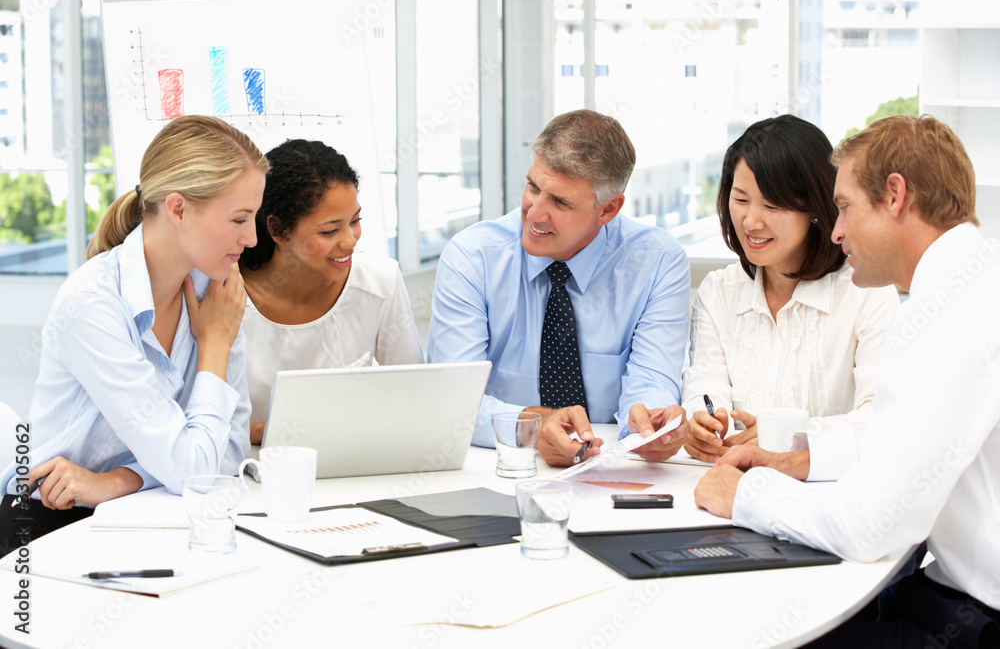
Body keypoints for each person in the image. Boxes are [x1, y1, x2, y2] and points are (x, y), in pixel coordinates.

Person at [695, 115, 1000, 647]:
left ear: (896, 196)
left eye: (844, 207)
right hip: (948, 591)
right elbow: (892, 449)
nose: (836, 231)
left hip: (975, 618)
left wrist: (747, 494)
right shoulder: (972, 283)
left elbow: (868, 526)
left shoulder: (946, 315)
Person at [0, 115, 266, 554]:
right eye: (239, 218)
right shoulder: (92, 304)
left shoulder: (215, 293)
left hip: (151, 515)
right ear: (178, 208)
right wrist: (214, 348)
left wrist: (120, 481)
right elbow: (191, 472)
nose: (252, 238)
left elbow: (228, 460)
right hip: (50, 524)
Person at [427, 109, 691, 466]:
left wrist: (650, 426)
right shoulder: (472, 258)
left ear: (608, 209)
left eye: (561, 202)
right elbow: (450, 400)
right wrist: (532, 427)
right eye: (533, 187)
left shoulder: (658, 262)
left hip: (612, 466)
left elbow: (651, 381)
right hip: (496, 468)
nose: (534, 214)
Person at [682, 115, 899, 467]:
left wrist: (783, 438)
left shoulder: (866, 292)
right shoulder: (719, 292)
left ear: (814, 206)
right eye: (740, 199)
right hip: (730, 482)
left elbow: (882, 417)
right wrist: (703, 425)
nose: (752, 221)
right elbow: (704, 387)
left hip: (826, 495)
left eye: (772, 205)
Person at [239, 139, 423, 444]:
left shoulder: (380, 281)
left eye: (355, 221)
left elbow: (414, 400)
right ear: (277, 229)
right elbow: (195, 424)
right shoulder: (226, 294)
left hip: (350, 466)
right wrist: (259, 432)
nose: (350, 241)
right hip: (249, 473)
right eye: (329, 231)